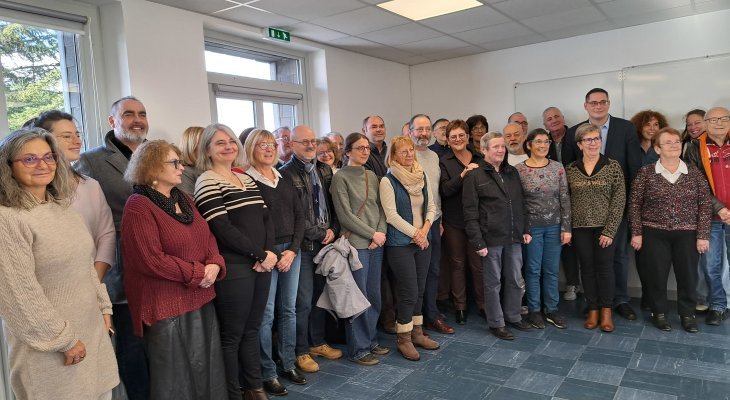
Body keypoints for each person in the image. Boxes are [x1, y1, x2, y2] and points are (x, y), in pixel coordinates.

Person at [0, 128, 118, 399]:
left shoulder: (62, 207)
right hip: (51, 347)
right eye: (29, 159)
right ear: (8, 167)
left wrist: (103, 306)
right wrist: (63, 340)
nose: (42, 164)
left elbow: (85, 266)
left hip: (90, 335)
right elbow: (18, 295)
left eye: (49, 156)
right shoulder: (8, 218)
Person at [121, 140, 227, 399]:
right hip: (165, 302)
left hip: (200, 296)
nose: (182, 167)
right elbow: (150, 259)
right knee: (174, 377)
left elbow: (207, 236)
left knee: (207, 368)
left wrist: (214, 263)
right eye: (174, 162)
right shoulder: (138, 205)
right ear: (153, 167)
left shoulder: (184, 198)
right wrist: (198, 273)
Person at [75, 95, 151, 399]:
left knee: (157, 338)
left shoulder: (154, 152)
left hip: (158, 261)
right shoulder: (92, 160)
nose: (137, 119)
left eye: (142, 114)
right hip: (119, 263)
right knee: (131, 341)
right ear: (112, 121)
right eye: (129, 114)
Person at [194, 123, 276, 400]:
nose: (228, 146)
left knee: (252, 329)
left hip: (260, 264)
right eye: (220, 143)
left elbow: (266, 219)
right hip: (236, 267)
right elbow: (222, 228)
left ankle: (255, 387)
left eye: (231, 141)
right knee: (233, 335)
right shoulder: (206, 180)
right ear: (207, 149)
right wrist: (260, 255)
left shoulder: (245, 178)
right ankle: (233, 393)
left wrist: (269, 252)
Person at [563, 88, 642, 322]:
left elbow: (634, 169)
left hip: (614, 212)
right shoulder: (572, 134)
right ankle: (593, 306)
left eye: (603, 102)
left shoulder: (625, 128)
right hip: (581, 222)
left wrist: (626, 210)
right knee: (587, 265)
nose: (598, 106)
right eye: (593, 102)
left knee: (616, 259)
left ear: (608, 103)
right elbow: (566, 181)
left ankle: (618, 302)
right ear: (586, 105)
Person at [242, 129, 307, 396]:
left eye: (271, 144)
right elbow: (249, 225)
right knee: (266, 315)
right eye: (261, 145)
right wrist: (266, 254)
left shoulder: (284, 177)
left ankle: (288, 363)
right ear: (250, 149)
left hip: (291, 251)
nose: (268, 149)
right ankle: (267, 372)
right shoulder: (246, 180)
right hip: (264, 255)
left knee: (288, 310)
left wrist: (292, 250)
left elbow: (300, 217)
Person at [629, 128, 711, 333]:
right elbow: (634, 204)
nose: (675, 145)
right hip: (653, 233)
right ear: (657, 148)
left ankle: (687, 315)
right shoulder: (645, 173)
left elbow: (705, 205)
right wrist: (636, 232)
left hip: (687, 233)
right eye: (668, 142)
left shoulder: (694, 173)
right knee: (656, 275)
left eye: (677, 141)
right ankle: (659, 313)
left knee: (688, 276)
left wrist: (702, 235)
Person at [279, 125, 342, 373]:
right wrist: (320, 232)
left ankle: (317, 342)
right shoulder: (284, 174)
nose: (309, 145)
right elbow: (293, 216)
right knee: (302, 302)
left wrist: (334, 230)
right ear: (292, 145)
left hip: (326, 244)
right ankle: (301, 351)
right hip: (304, 246)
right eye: (303, 141)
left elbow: (335, 206)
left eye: (313, 141)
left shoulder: (325, 170)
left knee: (319, 298)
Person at [25, 110, 115, 282]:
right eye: (67, 136)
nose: (77, 141)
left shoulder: (90, 186)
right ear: (45, 141)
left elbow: (106, 235)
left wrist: (95, 281)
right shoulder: (32, 190)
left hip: (89, 283)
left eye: (77, 134)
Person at [462, 131, 532, 341]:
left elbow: (521, 204)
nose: (501, 150)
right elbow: (470, 212)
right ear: (484, 150)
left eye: (502, 146)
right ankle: (496, 323)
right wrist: (478, 241)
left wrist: (526, 229)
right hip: (490, 239)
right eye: (496, 147)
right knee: (493, 283)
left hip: (514, 236)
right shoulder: (474, 176)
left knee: (515, 280)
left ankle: (513, 315)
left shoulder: (512, 172)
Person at [330, 132, 389, 366]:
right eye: (359, 148)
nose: (365, 151)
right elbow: (344, 216)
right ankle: (359, 348)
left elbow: (381, 209)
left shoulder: (372, 176)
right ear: (347, 152)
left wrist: (380, 234)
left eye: (367, 148)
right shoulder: (340, 178)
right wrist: (371, 234)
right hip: (357, 245)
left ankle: (372, 339)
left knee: (374, 295)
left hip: (376, 243)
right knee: (358, 298)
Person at [380, 136, 439, 361]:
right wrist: (416, 234)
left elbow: (431, 207)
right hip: (400, 244)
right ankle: (403, 338)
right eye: (402, 151)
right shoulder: (388, 181)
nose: (408, 154)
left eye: (410, 150)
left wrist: (424, 230)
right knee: (408, 292)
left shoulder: (421, 175)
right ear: (393, 155)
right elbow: (391, 216)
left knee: (421, 289)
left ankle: (417, 333)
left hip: (422, 241)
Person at [566, 123, 626, 333]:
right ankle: (592, 308)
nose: (593, 143)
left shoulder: (612, 166)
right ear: (580, 144)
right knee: (587, 269)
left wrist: (610, 231)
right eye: (588, 140)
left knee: (605, 269)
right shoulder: (571, 169)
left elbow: (619, 200)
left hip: (604, 228)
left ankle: (607, 310)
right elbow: (566, 200)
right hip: (580, 228)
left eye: (596, 139)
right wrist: (568, 228)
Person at [515, 128, 571, 329]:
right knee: (532, 270)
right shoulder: (519, 170)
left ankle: (552, 309)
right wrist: (523, 229)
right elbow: (518, 202)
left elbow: (564, 198)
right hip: (532, 229)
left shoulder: (557, 167)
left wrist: (566, 228)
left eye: (546, 142)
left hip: (555, 227)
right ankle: (534, 310)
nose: (543, 145)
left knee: (552, 270)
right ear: (529, 144)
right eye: (538, 142)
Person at [685, 106, 730, 326]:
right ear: (706, 123)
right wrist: (720, 208)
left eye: (724, 119)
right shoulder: (694, 148)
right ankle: (718, 306)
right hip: (710, 218)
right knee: (711, 266)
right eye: (713, 120)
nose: (719, 123)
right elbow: (698, 185)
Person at [408, 114, 453, 335]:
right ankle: (416, 320)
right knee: (417, 273)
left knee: (434, 270)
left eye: (427, 129)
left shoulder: (435, 156)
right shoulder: (405, 156)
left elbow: (436, 191)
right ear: (410, 132)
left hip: (434, 222)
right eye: (419, 129)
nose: (423, 133)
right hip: (414, 226)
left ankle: (431, 315)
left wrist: (440, 218)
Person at [439, 120, 485, 326]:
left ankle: (483, 305)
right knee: (457, 264)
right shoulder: (443, 161)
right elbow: (445, 190)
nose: (458, 139)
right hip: (454, 221)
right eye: (453, 136)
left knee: (478, 265)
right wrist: (464, 174)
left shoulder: (479, 157)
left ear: (467, 136)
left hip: (476, 221)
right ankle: (460, 307)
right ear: (447, 140)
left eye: (461, 135)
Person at [542, 106, 580, 301]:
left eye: (557, 116)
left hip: (577, 197)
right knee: (561, 243)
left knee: (574, 243)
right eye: (549, 118)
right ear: (544, 124)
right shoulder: (543, 142)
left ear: (563, 118)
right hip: (551, 203)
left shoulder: (575, 137)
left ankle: (576, 284)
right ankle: (564, 285)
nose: (554, 120)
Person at [179, 126, 205, 196]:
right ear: (192, 146)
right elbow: (187, 203)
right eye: (204, 142)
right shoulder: (184, 172)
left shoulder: (208, 168)